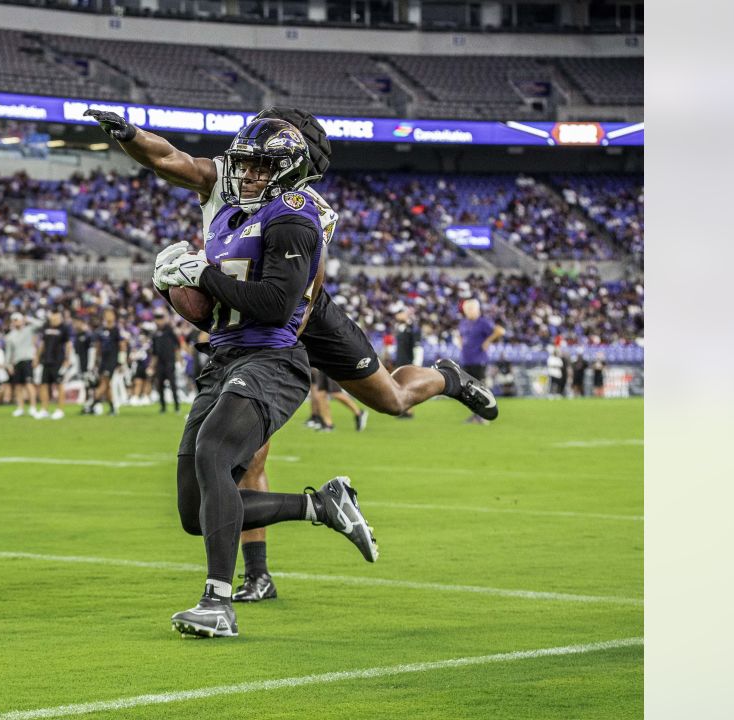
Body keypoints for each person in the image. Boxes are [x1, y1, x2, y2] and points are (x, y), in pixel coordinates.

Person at [87, 105, 499, 606]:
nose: (252, 171)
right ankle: (258, 574)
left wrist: (254, 331)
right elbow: (170, 159)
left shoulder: (304, 210)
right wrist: (128, 134)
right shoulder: (229, 176)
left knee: (392, 399)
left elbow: (298, 294)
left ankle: (447, 379)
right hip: (244, 314)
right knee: (240, 456)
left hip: (298, 312)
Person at [116, 116, 380, 637]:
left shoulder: (294, 217)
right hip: (224, 358)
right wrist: (173, 289)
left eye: (263, 166)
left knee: (215, 453)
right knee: (195, 512)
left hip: (274, 360)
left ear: (287, 171)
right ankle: (320, 505)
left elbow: (275, 305)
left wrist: (203, 274)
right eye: (247, 164)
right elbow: (214, 310)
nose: (250, 174)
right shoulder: (225, 218)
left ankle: (218, 602)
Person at [456, 298, 505, 424]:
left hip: (479, 360)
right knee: (469, 390)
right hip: (466, 360)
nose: (468, 311)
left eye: (470, 309)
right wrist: (460, 342)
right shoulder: (464, 322)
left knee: (480, 389)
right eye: (467, 309)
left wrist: (488, 341)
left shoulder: (483, 322)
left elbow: (500, 331)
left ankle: (483, 416)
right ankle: (476, 415)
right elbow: (459, 334)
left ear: (477, 309)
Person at [4, 312, 44, 418]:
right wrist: (8, 365)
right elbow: (8, 353)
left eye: (18, 319)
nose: (16, 322)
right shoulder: (10, 336)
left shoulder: (28, 330)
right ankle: (20, 408)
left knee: (29, 384)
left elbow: (41, 324)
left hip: (28, 360)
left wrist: (29, 318)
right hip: (17, 362)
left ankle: (33, 407)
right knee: (18, 386)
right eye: (14, 320)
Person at [36, 308, 71, 420]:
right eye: (52, 315)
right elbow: (42, 343)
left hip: (58, 361)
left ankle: (60, 410)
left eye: (56, 316)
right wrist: (36, 357)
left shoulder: (64, 328)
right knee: (44, 385)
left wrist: (67, 359)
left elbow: (68, 344)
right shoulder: (46, 327)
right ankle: (44, 409)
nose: (54, 318)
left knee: (59, 385)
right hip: (46, 360)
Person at [149, 311, 183, 413]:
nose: (158, 321)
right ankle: (163, 407)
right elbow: (154, 352)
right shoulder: (154, 334)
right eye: (156, 319)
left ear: (163, 319)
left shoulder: (169, 331)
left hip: (170, 361)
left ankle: (177, 407)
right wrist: (151, 366)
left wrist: (179, 360)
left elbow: (177, 346)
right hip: (159, 363)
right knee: (160, 385)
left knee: (173, 384)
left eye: (160, 318)